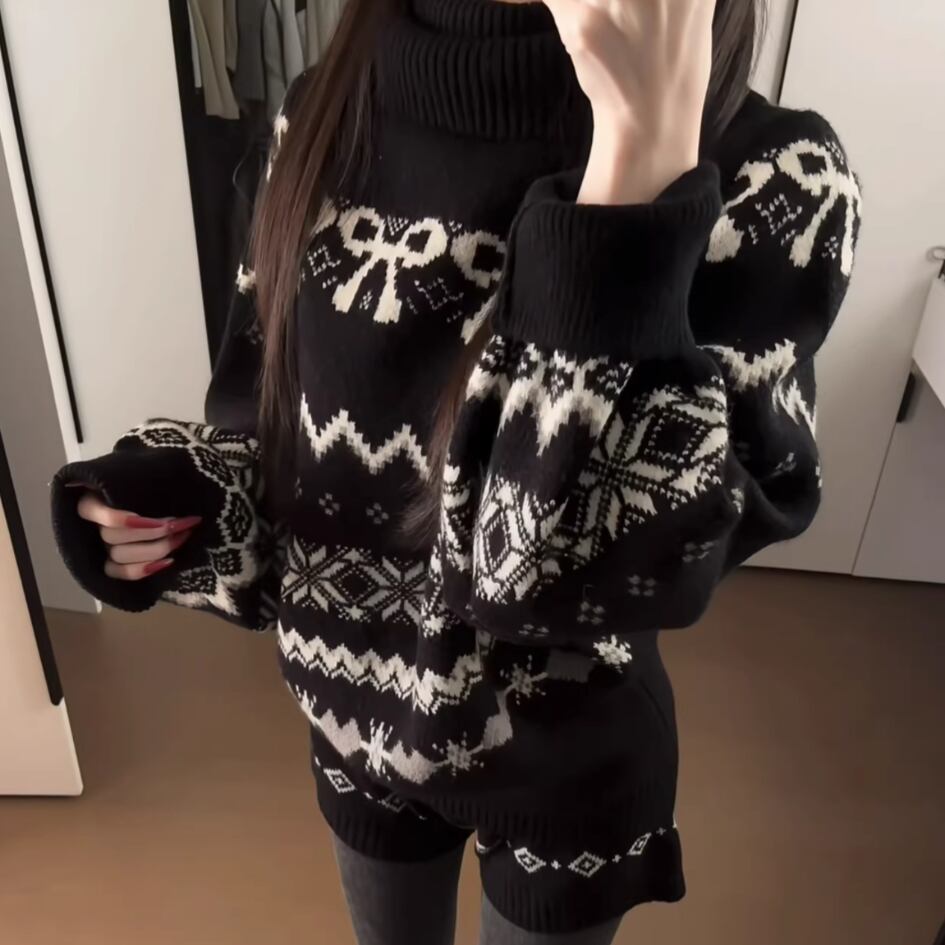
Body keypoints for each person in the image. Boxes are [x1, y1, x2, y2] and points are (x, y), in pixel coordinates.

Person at [50, 1, 863, 942]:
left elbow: (573, 571)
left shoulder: (775, 177)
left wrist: (634, 191)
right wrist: (178, 503)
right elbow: (281, 437)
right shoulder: (323, 110)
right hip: (355, 724)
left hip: (562, 766)